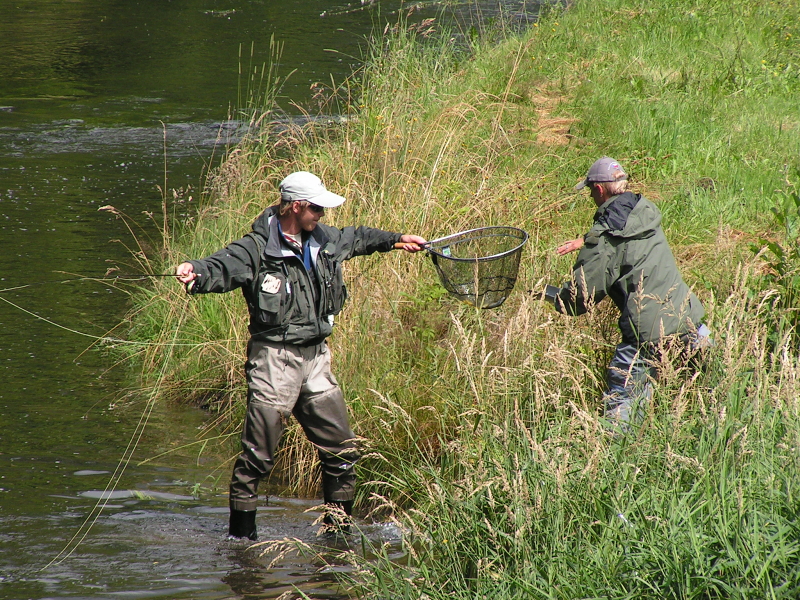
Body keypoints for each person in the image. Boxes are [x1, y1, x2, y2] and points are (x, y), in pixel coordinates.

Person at [176, 171, 426, 539]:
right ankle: (241, 542)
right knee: (257, 460)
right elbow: (220, 266)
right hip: (274, 362)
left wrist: (396, 240)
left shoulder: (325, 239)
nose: (323, 215)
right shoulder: (256, 248)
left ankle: (336, 538)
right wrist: (194, 272)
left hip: (316, 360)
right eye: (318, 209)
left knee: (343, 452)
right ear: (297, 207)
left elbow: (358, 237)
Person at [541, 157, 709, 433]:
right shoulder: (643, 212)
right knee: (716, 390)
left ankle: (615, 462)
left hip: (648, 334)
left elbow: (578, 301)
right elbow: (623, 237)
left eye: (590, 190)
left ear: (598, 189)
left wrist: (543, 293)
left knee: (623, 407)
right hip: (689, 318)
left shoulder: (604, 240)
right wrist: (587, 239)